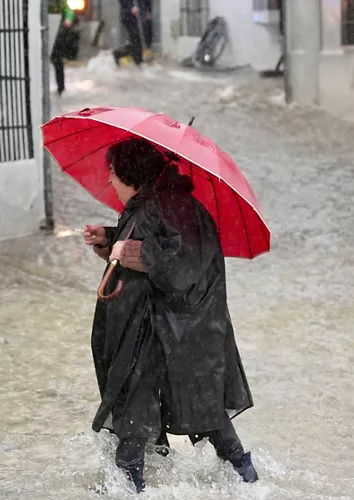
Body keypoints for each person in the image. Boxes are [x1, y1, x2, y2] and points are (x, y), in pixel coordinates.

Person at [82, 138, 258, 493]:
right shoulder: (158, 203)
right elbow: (158, 242)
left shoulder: (163, 205)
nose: (110, 180)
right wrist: (110, 239)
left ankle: (130, 486)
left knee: (143, 405)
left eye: (113, 172)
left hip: (171, 328)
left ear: (130, 173)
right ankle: (246, 478)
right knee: (194, 405)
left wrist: (133, 252)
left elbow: (180, 261)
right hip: (173, 328)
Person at [51, 3, 81, 96]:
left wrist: (68, 19)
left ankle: (60, 88)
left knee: (57, 61)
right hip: (48, 34)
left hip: (58, 36)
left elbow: (68, 10)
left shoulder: (60, 3)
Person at [112, 0, 153, 67]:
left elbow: (147, 2)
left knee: (142, 40)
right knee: (136, 38)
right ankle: (138, 61)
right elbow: (123, 3)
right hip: (129, 18)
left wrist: (147, 11)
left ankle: (120, 53)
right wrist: (130, 9)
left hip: (141, 17)